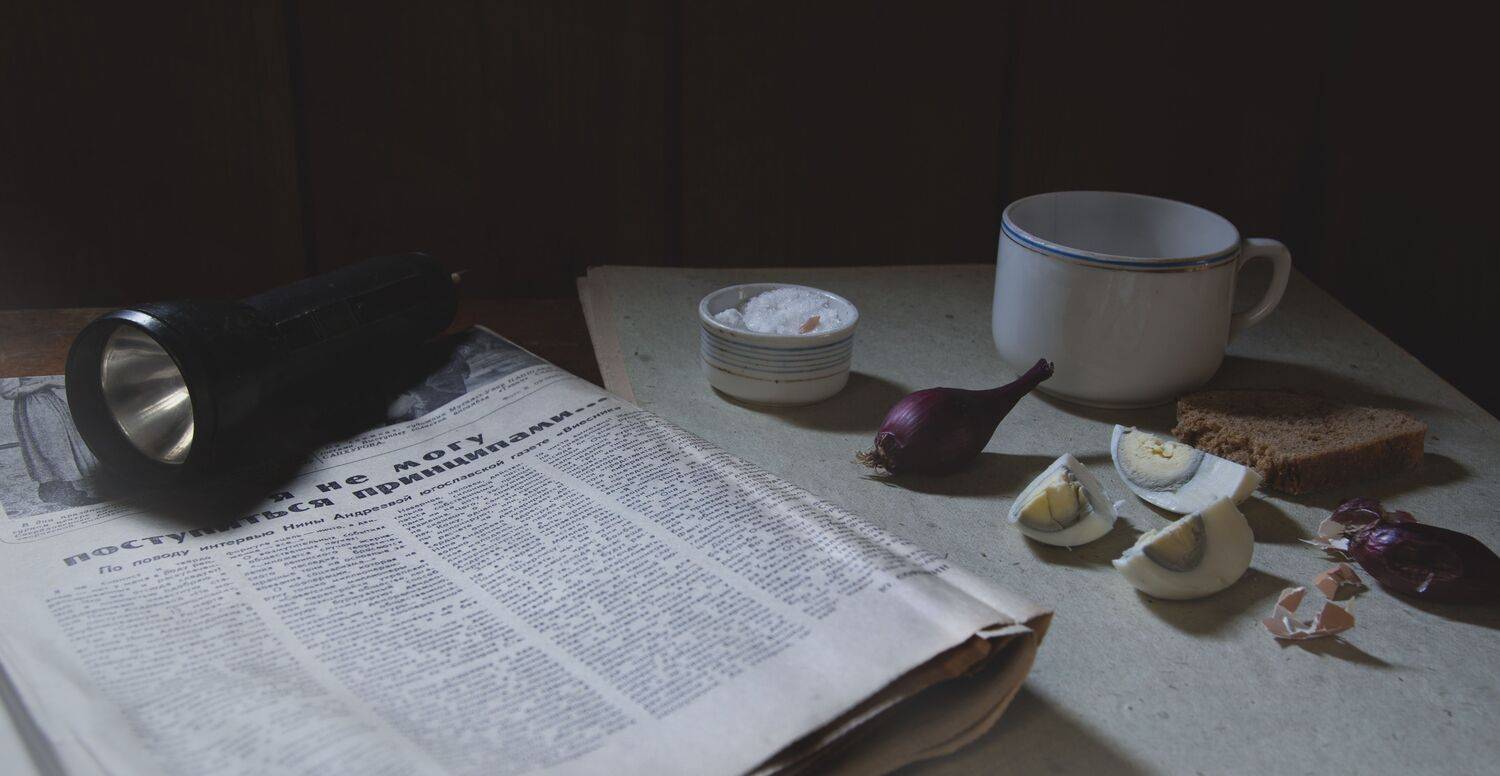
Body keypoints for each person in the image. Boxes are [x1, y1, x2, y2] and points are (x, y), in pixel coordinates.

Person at [1, 376, 101, 507]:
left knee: (60, 445)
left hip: (48, 401)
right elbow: (9, 392)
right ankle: (61, 490)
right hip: (34, 405)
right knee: (51, 448)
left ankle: (52, 488)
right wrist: (44, 384)